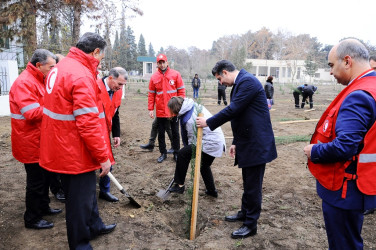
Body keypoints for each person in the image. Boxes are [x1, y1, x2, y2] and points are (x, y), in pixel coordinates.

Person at [40, 32, 116, 249]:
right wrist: (103, 157)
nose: (101, 61)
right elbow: (88, 123)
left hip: (61, 146)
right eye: (101, 57)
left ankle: (94, 226)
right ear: (95, 52)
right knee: (79, 203)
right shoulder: (80, 75)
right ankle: (80, 244)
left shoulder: (62, 67)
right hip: (74, 152)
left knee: (87, 195)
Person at [303, 39, 376, 249]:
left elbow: (345, 146)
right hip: (361, 183)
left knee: (343, 243)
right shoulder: (371, 86)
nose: (331, 72)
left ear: (347, 61)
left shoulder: (358, 96)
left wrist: (313, 150)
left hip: (346, 189)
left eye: (331, 66)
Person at [196, 60, 277, 239]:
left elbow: (233, 109)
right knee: (248, 182)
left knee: (253, 186)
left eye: (219, 78)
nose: (220, 83)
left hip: (257, 144)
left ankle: (250, 224)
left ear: (225, 72)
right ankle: (244, 213)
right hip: (248, 141)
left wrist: (208, 122)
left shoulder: (247, 82)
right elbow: (241, 117)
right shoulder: (240, 83)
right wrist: (236, 142)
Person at [9, 49, 62, 230]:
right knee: (36, 182)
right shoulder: (24, 82)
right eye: (51, 67)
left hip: (40, 139)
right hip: (30, 142)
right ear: (39, 65)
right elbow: (31, 113)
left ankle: (43, 207)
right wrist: (54, 105)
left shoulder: (39, 79)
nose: (54, 70)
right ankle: (32, 218)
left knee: (45, 177)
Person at [167, 97, 226, 197]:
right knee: (204, 165)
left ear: (175, 108)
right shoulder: (191, 106)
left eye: (171, 110)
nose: (170, 112)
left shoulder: (189, 119)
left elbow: (193, 139)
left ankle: (180, 186)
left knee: (182, 154)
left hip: (210, 141)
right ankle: (212, 191)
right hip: (216, 140)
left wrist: (186, 154)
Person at [97, 67, 127, 202]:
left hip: (105, 131)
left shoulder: (117, 92)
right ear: (110, 78)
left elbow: (115, 114)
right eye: (119, 84)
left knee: (107, 161)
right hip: (92, 131)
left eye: (123, 85)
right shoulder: (95, 88)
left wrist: (116, 134)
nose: (120, 88)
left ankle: (104, 191)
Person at [148, 54, 185, 163]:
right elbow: (151, 94)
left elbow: (181, 92)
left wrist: (180, 106)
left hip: (174, 110)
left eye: (164, 62)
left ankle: (176, 153)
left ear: (167, 62)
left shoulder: (175, 74)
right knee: (161, 133)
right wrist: (151, 108)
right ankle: (163, 153)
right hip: (160, 111)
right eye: (160, 62)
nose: (162, 64)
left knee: (175, 133)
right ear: (157, 64)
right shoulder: (154, 77)